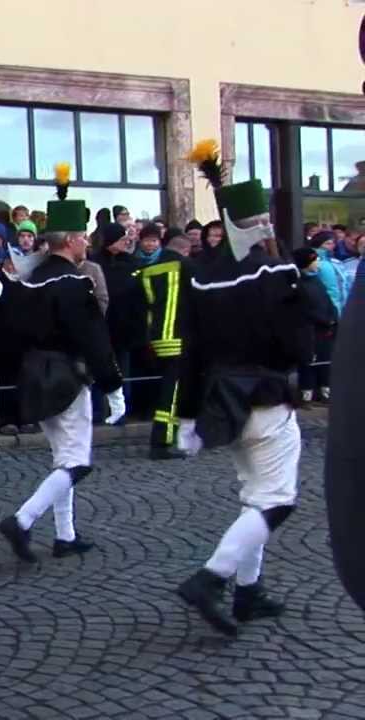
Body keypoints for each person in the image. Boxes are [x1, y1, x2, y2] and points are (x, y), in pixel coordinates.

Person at [174, 170, 306, 637]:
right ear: (257, 223)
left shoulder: (200, 276)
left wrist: (186, 416)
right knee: (278, 502)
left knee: (255, 497)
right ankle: (211, 577)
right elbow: (297, 346)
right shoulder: (274, 270)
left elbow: (191, 352)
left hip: (222, 401)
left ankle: (249, 593)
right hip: (267, 397)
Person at [0, 168, 123, 564]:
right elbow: (93, 337)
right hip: (66, 375)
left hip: (33, 373)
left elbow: (7, 334)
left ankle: (66, 535)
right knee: (76, 461)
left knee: (62, 457)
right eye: (83, 237)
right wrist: (113, 385)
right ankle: (23, 518)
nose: (87, 243)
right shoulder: (73, 282)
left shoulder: (27, 283)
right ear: (69, 241)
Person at [136, 232, 193, 459]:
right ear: (185, 250)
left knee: (167, 389)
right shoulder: (187, 267)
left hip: (158, 337)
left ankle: (167, 436)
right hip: (180, 337)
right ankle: (162, 440)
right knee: (173, 393)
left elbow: (145, 305)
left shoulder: (150, 269)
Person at [94, 221, 148, 419]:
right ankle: (99, 412)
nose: (126, 242)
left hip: (125, 328)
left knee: (123, 372)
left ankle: (122, 411)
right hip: (101, 327)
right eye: (121, 239)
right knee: (100, 371)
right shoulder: (95, 262)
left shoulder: (132, 263)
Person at [293, 247, 337, 403]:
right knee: (309, 362)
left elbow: (327, 300)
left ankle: (325, 390)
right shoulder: (298, 284)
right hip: (311, 330)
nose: (318, 262)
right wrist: (323, 320)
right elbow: (303, 308)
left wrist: (333, 317)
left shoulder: (316, 281)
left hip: (325, 330)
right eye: (314, 259)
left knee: (325, 361)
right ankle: (306, 393)